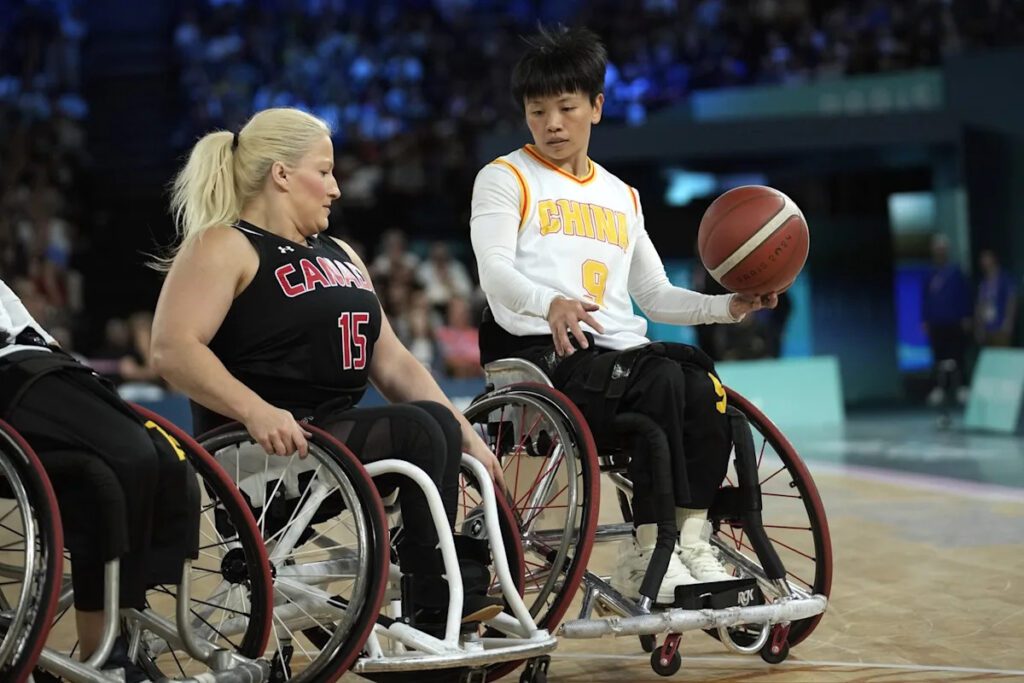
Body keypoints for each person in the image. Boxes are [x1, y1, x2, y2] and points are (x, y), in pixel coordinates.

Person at [149, 107, 506, 629]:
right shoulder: (224, 243)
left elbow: (395, 361)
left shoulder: (341, 253)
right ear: (282, 174)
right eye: (325, 171)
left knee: (435, 420)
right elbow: (172, 349)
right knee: (417, 428)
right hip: (260, 453)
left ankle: (455, 581)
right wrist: (255, 410)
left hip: (329, 444)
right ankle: (437, 605)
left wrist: (464, 431)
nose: (336, 188)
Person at [469, 27, 777, 604]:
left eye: (566, 108)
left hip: (618, 358)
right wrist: (550, 301)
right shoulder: (504, 178)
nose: (553, 124)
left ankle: (691, 542)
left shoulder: (623, 196)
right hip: (546, 355)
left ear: (596, 107)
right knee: (660, 378)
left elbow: (655, 295)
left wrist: (727, 307)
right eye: (538, 112)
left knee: (700, 377)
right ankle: (646, 550)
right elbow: (495, 273)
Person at [0, 278, 195, 682]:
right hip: (11, 377)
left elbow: (34, 331)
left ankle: (116, 636)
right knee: (122, 457)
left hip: (44, 365)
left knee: (169, 460)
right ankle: (103, 653)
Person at [922, 234, 972, 406]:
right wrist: (925, 319)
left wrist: (966, 316)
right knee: (939, 358)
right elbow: (925, 299)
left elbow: (964, 295)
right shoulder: (929, 274)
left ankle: (962, 387)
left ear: (947, 251)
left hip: (954, 321)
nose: (939, 252)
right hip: (936, 323)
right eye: (937, 249)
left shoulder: (955, 272)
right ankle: (939, 389)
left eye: (942, 249)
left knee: (958, 356)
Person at [975, 248, 1017, 348]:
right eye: (982, 258)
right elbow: (980, 305)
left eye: (986, 257)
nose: (984, 261)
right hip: (987, 327)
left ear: (993, 259)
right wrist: (979, 326)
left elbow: (1011, 300)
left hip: (1001, 326)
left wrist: (1008, 322)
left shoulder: (1005, 278)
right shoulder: (983, 282)